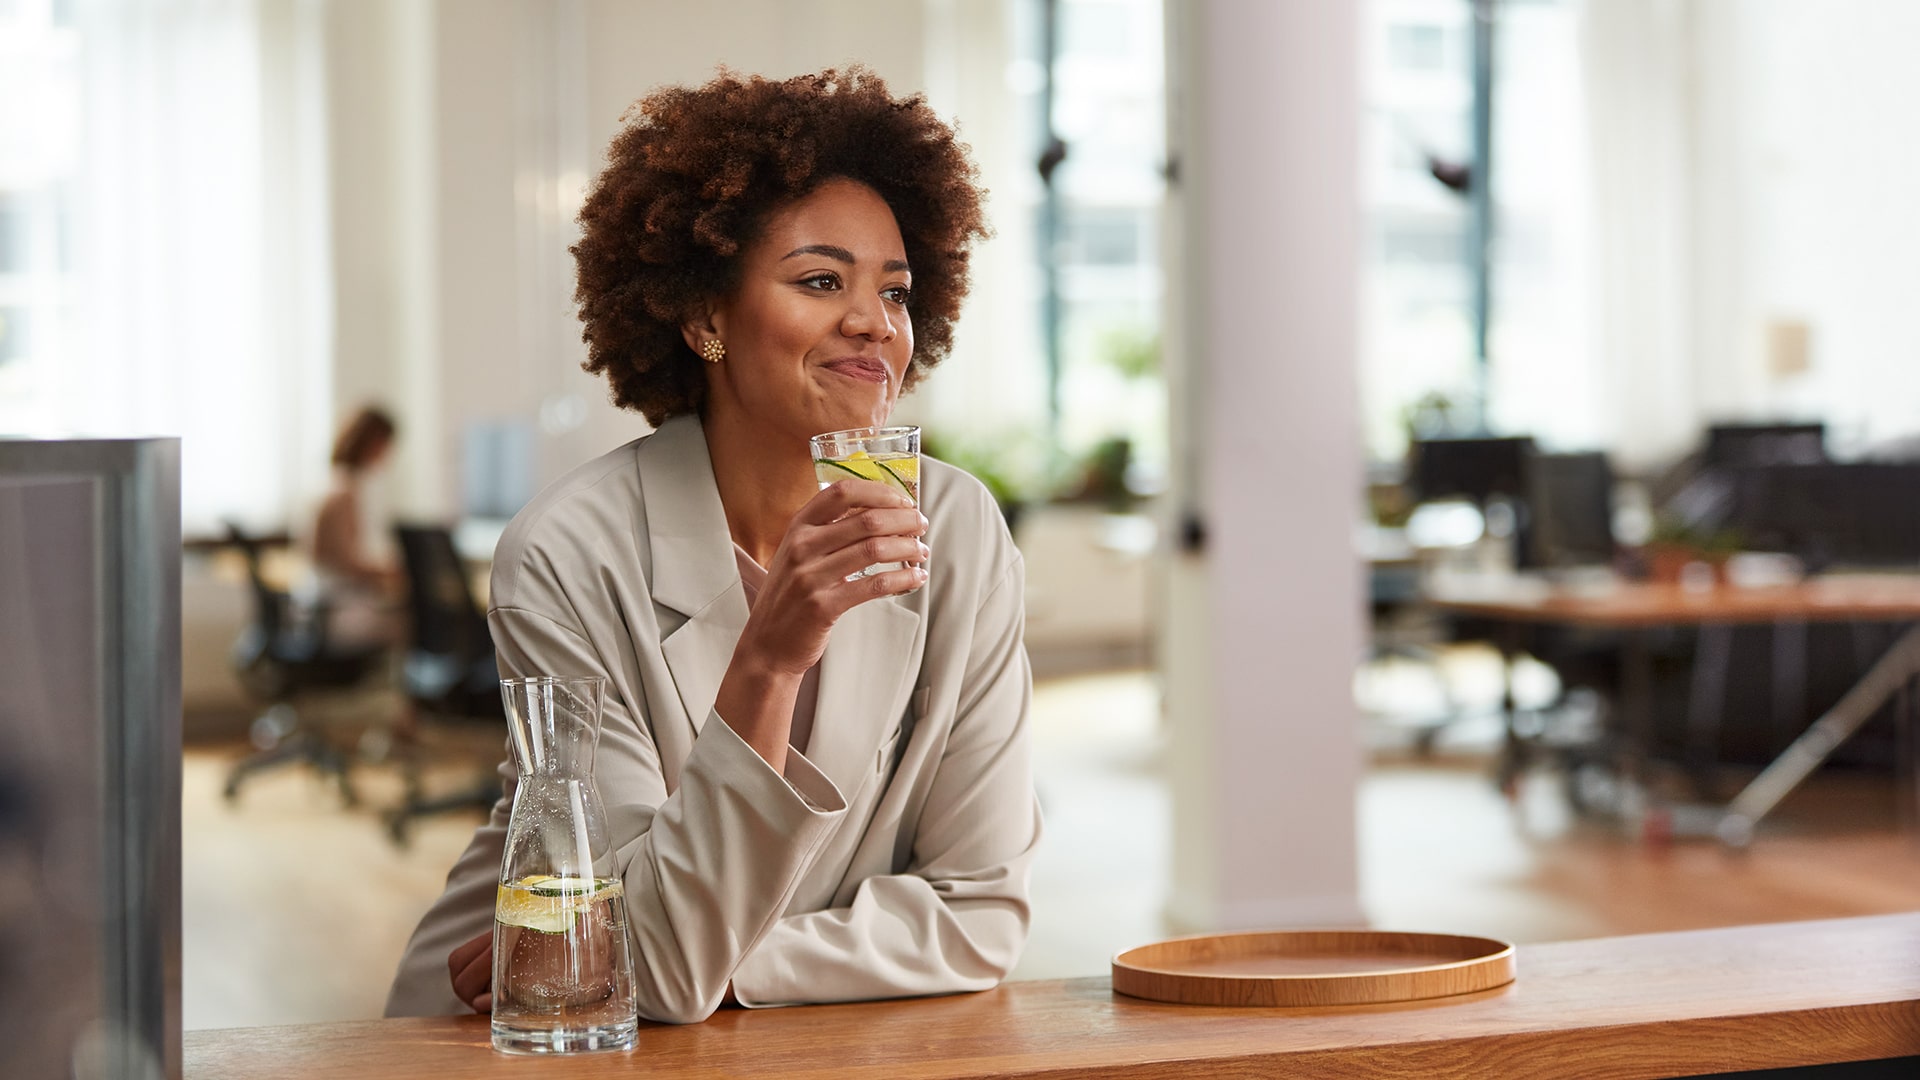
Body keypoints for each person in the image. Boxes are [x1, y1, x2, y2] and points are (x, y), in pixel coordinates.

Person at [384, 67, 1042, 1024]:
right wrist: (770, 659)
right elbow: (635, 973)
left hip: (776, 1035)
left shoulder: (960, 529)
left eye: (895, 293)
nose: (874, 323)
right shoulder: (571, 552)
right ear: (702, 318)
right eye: (821, 281)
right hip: (530, 1040)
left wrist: (722, 962)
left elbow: (981, 916)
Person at [312, 405, 401, 647]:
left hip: (324, 605)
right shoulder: (344, 494)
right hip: (338, 609)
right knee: (418, 621)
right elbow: (348, 563)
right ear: (375, 443)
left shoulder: (333, 483)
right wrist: (395, 571)